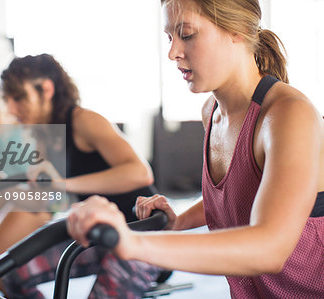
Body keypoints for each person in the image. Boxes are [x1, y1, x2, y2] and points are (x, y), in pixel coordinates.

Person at [67, 0, 324, 298]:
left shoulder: (288, 115)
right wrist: (180, 221)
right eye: (169, 37)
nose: (173, 52)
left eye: (187, 34)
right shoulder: (211, 111)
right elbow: (240, 192)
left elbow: (270, 248)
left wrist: (133, 242)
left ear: (237, 30)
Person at [0, 53, 162, 297]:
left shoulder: (84, 120)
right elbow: (44, 197)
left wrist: (64, 183)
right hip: (101, 236)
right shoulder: (44, 135)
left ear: (46, 89)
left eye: (19, 97)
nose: (11, 108)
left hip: (145, 235)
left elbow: (141, 174)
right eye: (8, 99)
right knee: (9, 273)